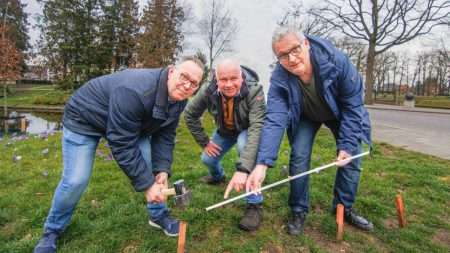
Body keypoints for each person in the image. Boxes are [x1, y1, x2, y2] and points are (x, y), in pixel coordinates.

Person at [34, 56, 204, 253]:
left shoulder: (178, 99)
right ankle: (52, 231)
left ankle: (158, 215)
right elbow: (121, 142)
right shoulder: (135, 90)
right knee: (75, 180)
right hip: (85, 117)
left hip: (130, 122)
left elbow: (165, 134)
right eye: (184, 77)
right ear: (172, 71)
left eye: (194, 84)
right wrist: (146, 185)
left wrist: (162, 169)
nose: (186, 85)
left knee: (151, 168)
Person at [245, 26, 373, 235]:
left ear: (306, 44)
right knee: (299, 156)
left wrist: (347, 145)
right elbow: (275, 119)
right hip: (306, 115)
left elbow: (353, 107)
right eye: (283, 56)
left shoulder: (338, 62)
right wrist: (262, 164)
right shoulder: (279, 78)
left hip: (340, 113)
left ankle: (344, 208)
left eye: (295, 50)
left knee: (352, 156)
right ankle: (298, 209)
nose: (292, 59)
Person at [184, 59, 266, 231]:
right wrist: (204, 142)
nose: (228, 84)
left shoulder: (255, 90)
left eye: (233, 78)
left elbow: (257, 127)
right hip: (225, 131)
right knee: (207, 159)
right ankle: (218, 176)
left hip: (247, 130)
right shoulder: (208, 90)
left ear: (241, 77)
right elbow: (190, 114)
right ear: (216, 78)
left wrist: (243, 169)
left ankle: (254, 204)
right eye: (223, 79)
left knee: (245, 149)